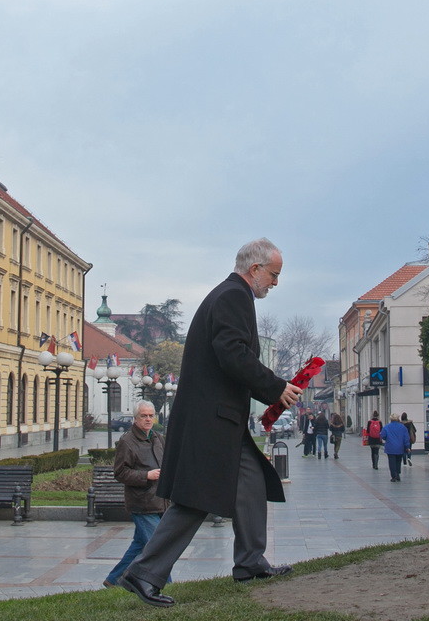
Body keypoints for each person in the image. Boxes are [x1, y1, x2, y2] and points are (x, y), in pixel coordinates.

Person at [116, 239, 302, 608]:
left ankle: (250, 563)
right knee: (195, 498)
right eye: (274, 274)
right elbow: (232, 353)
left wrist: (271, 390)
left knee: (251, 483)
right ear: (255, 269)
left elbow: (231, 357)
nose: (276, 282)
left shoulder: (230, 294)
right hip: (211, 421)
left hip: (221, 420)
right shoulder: (234, 296)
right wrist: (275, 387)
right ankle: (144, 573)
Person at [104, 401, 168, 588]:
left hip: (160, 501)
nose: (148, 419)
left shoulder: (157, 438)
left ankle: (114, 580)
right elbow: (120, 473)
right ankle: (167, 585)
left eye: (151, 416)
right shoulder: (127, 441)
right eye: (143, 416)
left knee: (140, 545)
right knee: (159, 547)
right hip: (142, 504)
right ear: (135, 418)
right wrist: (146, 475)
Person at [381, 413, 411, 482]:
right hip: (400, 447)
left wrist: (387, 438)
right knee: (398, 461)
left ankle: (393, 476)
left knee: (391, 462)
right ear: (398, 419)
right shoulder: (403, 427)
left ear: (390, 419)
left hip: (390, 447)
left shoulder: (387, 427)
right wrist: (407, 446)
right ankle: (398, 474)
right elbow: (406, 438)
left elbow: (383, 436)